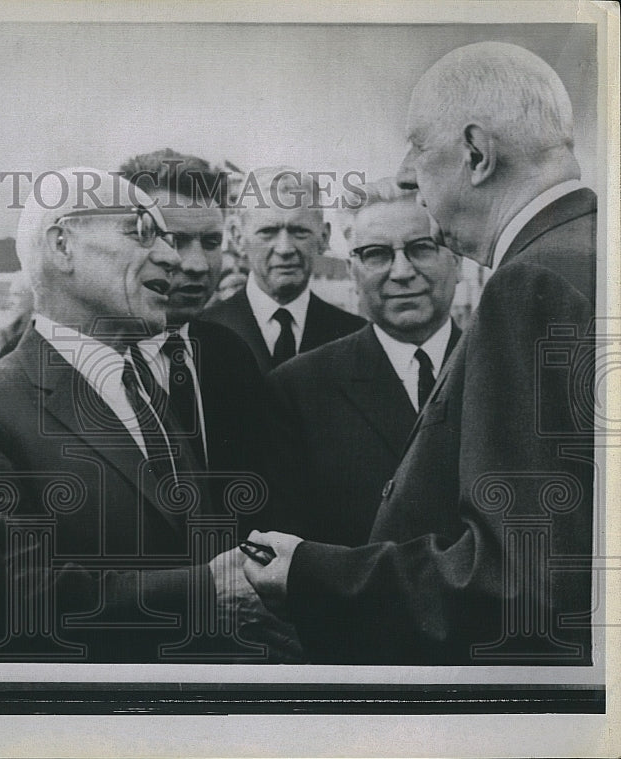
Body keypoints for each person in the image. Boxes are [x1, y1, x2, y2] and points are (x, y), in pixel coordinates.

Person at [216, 42, 597, 665]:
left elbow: (517, 581)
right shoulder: (591, 251)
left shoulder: (530, 285)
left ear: (476, 153)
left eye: (418, 146)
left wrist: (306, 572)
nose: (406, 173)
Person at [0, 167, 295, 663]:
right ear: (62, 245)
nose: (172, 257)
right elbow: (14, 598)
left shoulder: (144, 389)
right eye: (142, 231)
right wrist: (204, 593)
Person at [266, 178, 462, 547]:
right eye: (376, 254)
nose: (402, 272)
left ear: (458, 261)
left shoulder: (501, 370)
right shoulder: (299, 390)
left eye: (421, 248)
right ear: (353, 271)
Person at [117, 150, 277, 520]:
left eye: (210, 243)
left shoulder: (231, 354)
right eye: (175, 241)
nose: (197, 265)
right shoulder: (89, 361)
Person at [198, 167, 365, 373]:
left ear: (323, 237)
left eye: (299, 231)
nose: (285, 248)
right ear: (238, 237)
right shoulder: (201, 333)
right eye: (268, 232)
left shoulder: (355, 336)